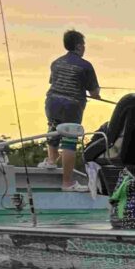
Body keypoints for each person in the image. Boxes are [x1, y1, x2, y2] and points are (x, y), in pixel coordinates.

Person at [39, 30, 100, 191]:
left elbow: (54, 81)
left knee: (53, 128)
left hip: (52, 102)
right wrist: (96, 95)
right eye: (84, 44)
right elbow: (94, 92)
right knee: (69, 140)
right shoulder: (85, 66)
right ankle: (68, 183)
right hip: (72, 105)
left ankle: (51, 161)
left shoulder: (56, 62)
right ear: (79, 46)